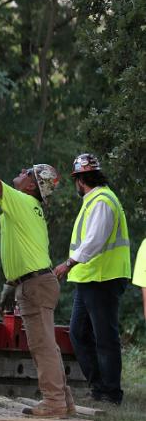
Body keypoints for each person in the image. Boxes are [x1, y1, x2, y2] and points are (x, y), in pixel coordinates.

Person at [0, 149, 73, 417]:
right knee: (47, 343)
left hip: (35, 285)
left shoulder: (22, 201)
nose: (21, 172)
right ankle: (63, 400)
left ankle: (54, 402)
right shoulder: (30, 208)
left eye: (26, 172)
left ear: (32, 185)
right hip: (37, 282)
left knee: (41, 345)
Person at [52, 154, 131, 405]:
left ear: (80, 179)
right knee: (78, 333)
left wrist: (67, 264)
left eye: (75, 180)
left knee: (105, 338)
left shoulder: (102, 201)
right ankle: (98, 388)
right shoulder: (94, 200)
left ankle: (110, 393)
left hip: (103, 278)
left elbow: (94, 241)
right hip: (89, 278)